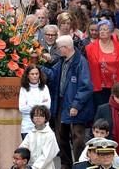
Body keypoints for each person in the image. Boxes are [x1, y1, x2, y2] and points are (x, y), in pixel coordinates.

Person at [41, 35, 94, 169]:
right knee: (61, 136)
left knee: (78, 138)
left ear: (66, 48)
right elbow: (52, 75)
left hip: (75, 106)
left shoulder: (80, 62)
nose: (58, 51)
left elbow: (86, 86)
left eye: (59, 48)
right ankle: (66, 164)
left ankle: (79, 164)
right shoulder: (62, 61)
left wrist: (76, 105)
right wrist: (40, 66)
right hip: (61, 104)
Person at [85, 19, 119, 109]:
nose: (102, 32)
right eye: (100, 29)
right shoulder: (90, 48)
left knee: (117, 110)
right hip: (100, 87)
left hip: (117, 86)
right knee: (103, 110)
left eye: (105, 29)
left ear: (111, 31)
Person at [19, 105, 60, 169]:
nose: (38, 118)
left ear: (45, 118)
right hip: (30, 166)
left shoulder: (50, 135)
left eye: (41, 115)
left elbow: (47, 155)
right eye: (35, 116)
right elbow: (23, 148)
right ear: (32, 118)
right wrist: (19, 161)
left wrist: (34, 167)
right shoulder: (31, 134)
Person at [19, 65, 52, 139]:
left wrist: (30, 105)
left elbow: (47, 107)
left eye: (36, 74)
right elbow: (22, 108)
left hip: (43, 127)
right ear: (28, 75)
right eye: (32, 74)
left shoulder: (45, 88)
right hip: (27, 127)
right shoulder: (23, 89)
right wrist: (40, 104)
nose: (35, 76)